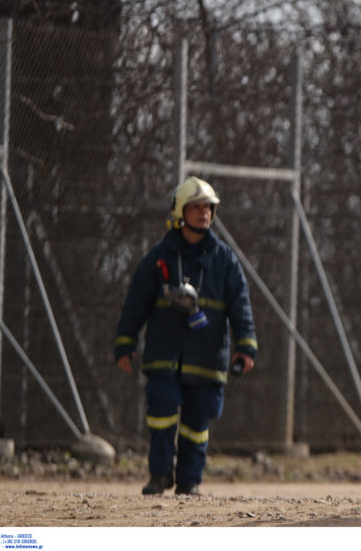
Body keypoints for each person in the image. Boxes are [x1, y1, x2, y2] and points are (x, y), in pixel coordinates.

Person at [113, 176, 258, 496]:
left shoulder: (225, 260)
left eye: (208, 207)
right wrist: (126, 341)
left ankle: (189, 481)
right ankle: (159, 475)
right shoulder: (159, 257)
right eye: (196, 207)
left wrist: (245, 346)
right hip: (166, 352)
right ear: (181, 211)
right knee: (162, 411)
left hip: (207, 355)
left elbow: (241, 305)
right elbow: (136, 301)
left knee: (197, 421)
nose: (204, 213)